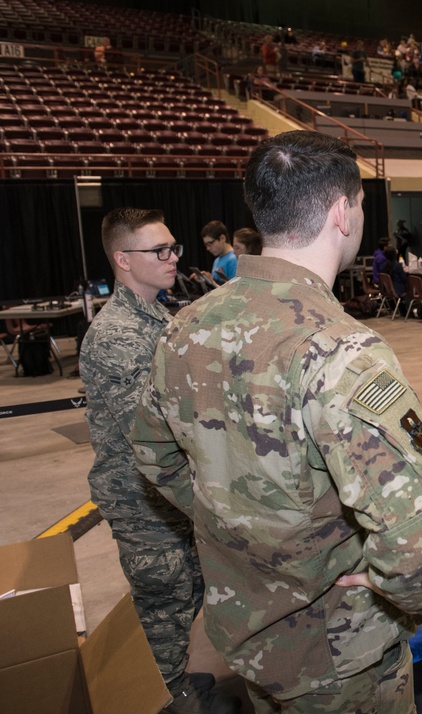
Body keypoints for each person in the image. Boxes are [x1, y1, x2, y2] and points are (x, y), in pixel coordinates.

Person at [131, 131, 422, 713]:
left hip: (250, 632)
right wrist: (411, 587)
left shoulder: (184, 327)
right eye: (362, 204)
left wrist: (248, 531)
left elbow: (154, 456)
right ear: (343, 212)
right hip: (340, 657)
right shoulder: (340, 351)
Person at [79, 208, 238, 714]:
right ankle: (163, 699)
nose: (173, 258)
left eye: (174, 248)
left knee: (184, 594)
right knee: (162, 605)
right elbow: (150, 436)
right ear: (123, 259)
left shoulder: (156, 316)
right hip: (145, 500)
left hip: (170, 493)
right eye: (160, 251)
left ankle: (174, 681)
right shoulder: (118, 335)